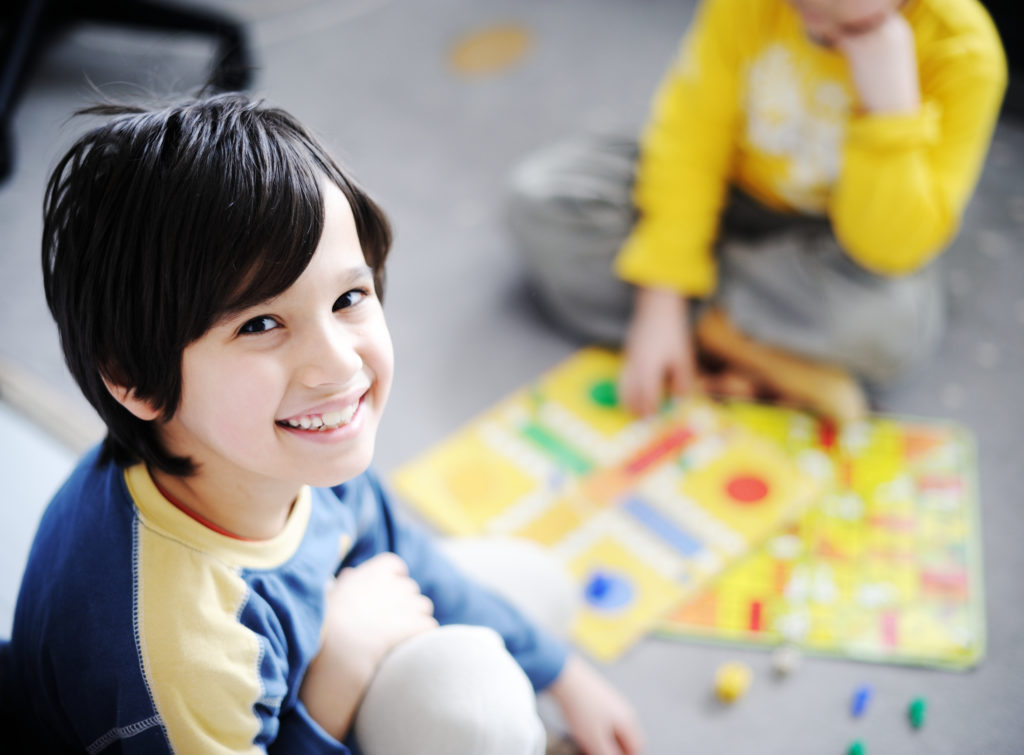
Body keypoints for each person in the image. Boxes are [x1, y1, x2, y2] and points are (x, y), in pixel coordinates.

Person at [6, 94, 644, 755]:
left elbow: (400, 548)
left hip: (313, 641)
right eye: (261, 323)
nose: (338, 364)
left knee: (537, 588)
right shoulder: (181, 650)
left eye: (348, 298)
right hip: (264, 705)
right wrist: (334, 679)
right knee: (476, 705)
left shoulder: (267, 448)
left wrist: (564, 675)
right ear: (136, 379)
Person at [508, 0, 1006, 421]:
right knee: (545, 198)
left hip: (829, 244)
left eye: (851, 26)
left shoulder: (964, 55)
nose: (817, 31)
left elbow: (891, 248)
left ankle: (709, 327)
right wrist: (662, 298)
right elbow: (689, 142)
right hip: (728, 201)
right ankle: (742, 340)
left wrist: (890, 112)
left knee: (890, 331)